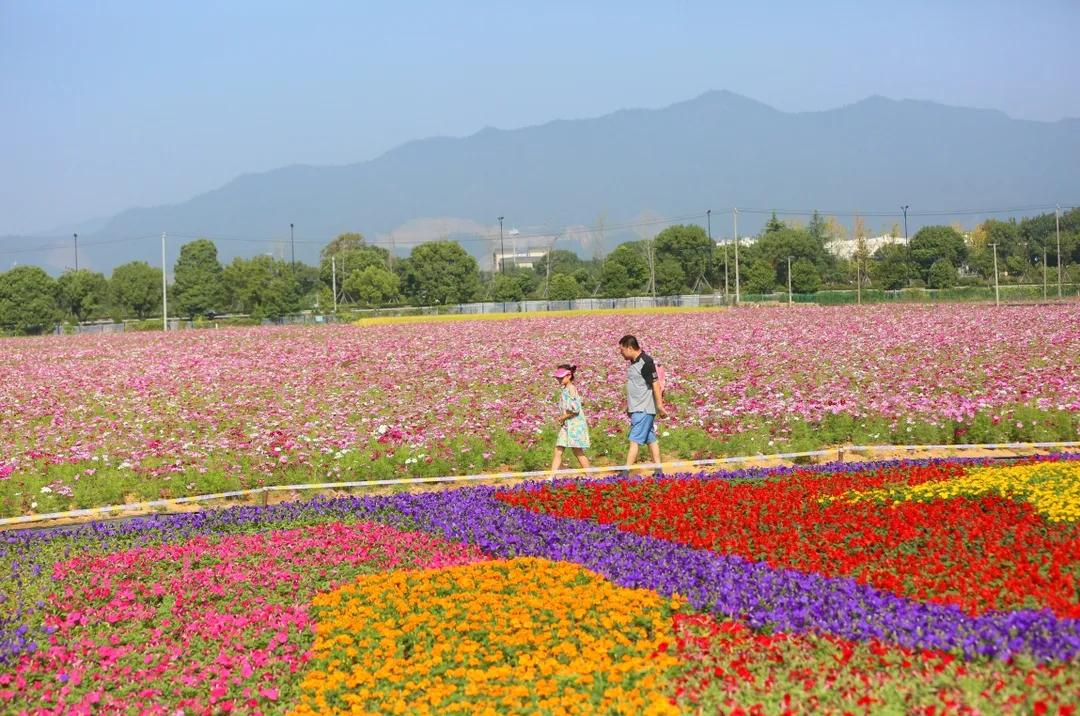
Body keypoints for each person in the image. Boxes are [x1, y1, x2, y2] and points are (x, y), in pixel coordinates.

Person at [618, 335, 667, 475]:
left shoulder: (646, 362)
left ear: (629, 347)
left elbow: (655, 384)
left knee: (634, 440)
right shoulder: (634, 362)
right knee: (651, 439)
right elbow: (636, 386)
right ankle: (659, 471)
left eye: (622, 350)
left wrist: (659, 406)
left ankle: (625, 472)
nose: (621, 353)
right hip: (637, 408)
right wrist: (629, 407)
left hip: (643, 409)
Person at [550, 364, 591, 475]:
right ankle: (550, 477)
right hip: (567, 425)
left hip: (575, 425)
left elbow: (575, 409)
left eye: (561, 378)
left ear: (569, 376)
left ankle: (590, 476)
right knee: (558, 450)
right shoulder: (566, 389)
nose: (559, 380)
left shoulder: (571, 389)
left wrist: (562, 417)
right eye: (558, 378)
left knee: (577, 451)